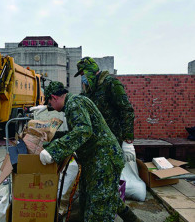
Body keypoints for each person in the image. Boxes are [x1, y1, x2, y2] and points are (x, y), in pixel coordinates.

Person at [39, 81, 141, 221]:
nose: (51, 107)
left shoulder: (74, 104)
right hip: (96, 160)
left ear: (54, 97)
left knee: (97, 208)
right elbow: (77, 131)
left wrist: (54, 151)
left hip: (103, 160)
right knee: (101, 196)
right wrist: (52, 140)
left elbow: (83, 131)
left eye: (50, 103)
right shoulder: (75, 102)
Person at [75, 57, 144, 217]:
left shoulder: (111, 84)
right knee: (93, 182)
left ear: (92, 70)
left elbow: (126, 110)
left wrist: (128, 138)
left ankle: (110, 215)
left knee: (105, 184)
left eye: (84, 73)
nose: (83, 78)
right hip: (95, 144)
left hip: (110, 142)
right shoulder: (89, 90)